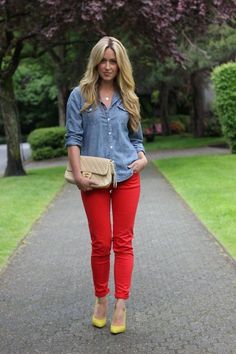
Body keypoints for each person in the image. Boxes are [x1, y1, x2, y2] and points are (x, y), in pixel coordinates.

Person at [65, 36, 147, 334]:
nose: (108, 66)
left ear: (120, 63)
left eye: (113, 61)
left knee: (123, 242)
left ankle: (120, 304)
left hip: (128, 176)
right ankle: (101, 299)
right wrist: (77, 176)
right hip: (93, 179)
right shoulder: (80, 94)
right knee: (101, 243)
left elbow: (137, 139)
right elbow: (73, 138)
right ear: (96, 61)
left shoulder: (130, 96)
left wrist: (142, 160)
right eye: (104, 60)